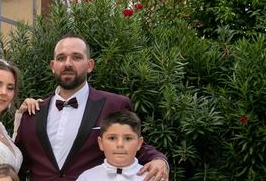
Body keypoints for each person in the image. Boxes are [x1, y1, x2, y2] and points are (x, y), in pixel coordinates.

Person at [14, 35, 169, 181]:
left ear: (90, 65)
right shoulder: (32, 112)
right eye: (61, 58)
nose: (68, 63)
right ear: (53, 66)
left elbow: (133, 145)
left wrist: (159, 160)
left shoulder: (115, 105)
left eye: (76, 57)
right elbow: (17, 161)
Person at [76, 110, 147, 180]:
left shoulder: (151, 177)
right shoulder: (87, 178)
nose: (120, 144)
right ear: (101, 143)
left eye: (128, 138)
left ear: (139, 143)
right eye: (112, 138)